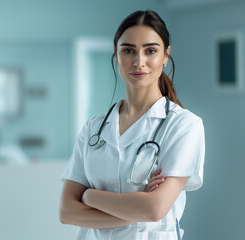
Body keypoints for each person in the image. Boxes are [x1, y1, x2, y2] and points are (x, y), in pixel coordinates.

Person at [59, 9, 205, 240]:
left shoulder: (184, 125)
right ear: (116, 55)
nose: (139, 61)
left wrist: (89, 197)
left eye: (150, 51)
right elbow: (67, 212)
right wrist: (138, 208)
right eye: (128, 50)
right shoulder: (93, 128)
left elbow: (154, 209)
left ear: (166, 55)